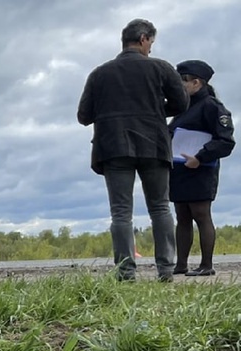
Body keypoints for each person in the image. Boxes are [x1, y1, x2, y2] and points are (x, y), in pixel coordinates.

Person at [77, 19, 189, 281]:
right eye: (150, 42)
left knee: (120, 212)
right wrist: (154, 110)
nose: (150, 47)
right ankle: (165, 270)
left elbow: (84, 116)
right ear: (143, 39)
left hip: (114, 147)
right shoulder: (161, 68)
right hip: (154, 144)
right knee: (160, 207)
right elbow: (181, 104)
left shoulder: (99, 73)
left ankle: (126, 272)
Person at [169, 60, 235, 276]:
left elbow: (225, 141)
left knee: (201, 214)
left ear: (196, 82)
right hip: (179, 169)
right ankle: (181, 265)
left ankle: (206, 265)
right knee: (182, 215)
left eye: (182, 82)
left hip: (200, 168)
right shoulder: (182, 108)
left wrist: (200, 157)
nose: (180, 88)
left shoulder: (212, 107)